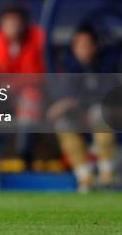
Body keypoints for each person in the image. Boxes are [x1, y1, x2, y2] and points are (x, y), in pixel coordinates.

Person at [49, 26, 118, 192]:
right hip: (77, 118)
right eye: (79, 45)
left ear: (95, 46)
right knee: (62, 124)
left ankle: (107, 174)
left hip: (102, 118)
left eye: (87, 44)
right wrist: (60, 108)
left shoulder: (107, 66)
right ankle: (84, 178)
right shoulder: (66, 69)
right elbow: (56, 107)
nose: (83, 49)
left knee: (100, 115)